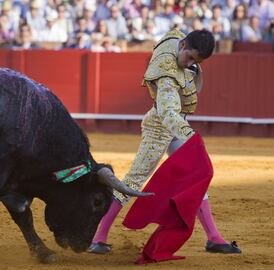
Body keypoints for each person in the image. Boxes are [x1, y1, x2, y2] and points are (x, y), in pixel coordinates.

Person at [88, 29, 242, 255]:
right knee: (134, 179)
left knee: (195, 177)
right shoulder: (166, 75)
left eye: (195, 61)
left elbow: (176, 32)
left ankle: (214, 238)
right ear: (182, 45)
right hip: (160, 126)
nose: (189, 64)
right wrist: (192, 138)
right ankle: (97, 237)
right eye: (189, 57)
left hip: (176, 127)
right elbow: (169, 114)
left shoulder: (175, 41)